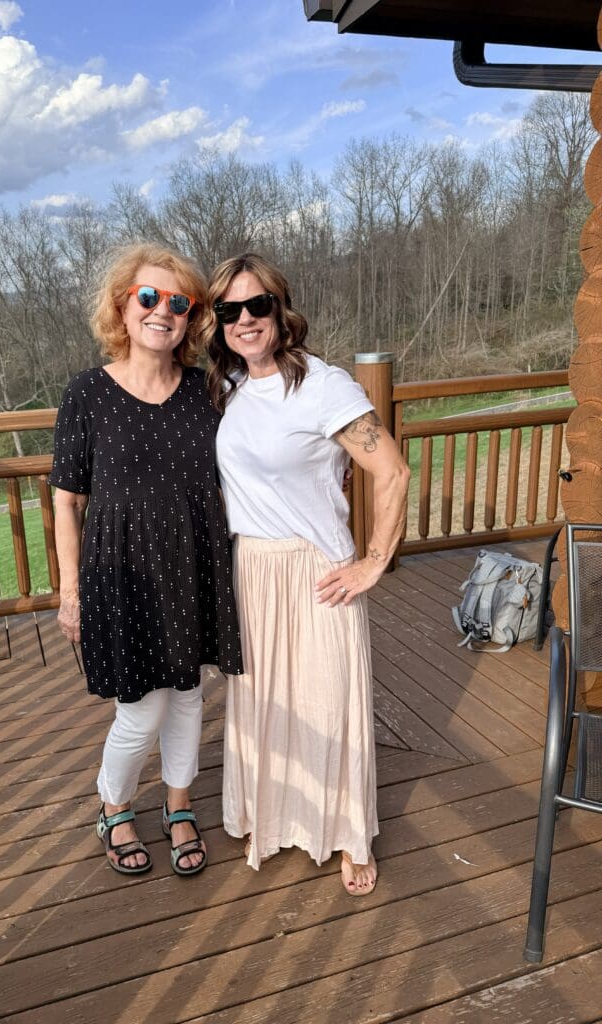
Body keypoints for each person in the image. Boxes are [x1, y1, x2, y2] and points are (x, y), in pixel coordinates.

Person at [203, 253, 410, 894]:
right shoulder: (226, 388)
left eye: (256, 305)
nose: (245, 319)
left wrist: (374, 560)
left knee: (329, 699)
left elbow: (393, 472)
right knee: (267, 701)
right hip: (253, 567)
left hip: (317, 568)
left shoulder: (324, 385)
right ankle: (269, 816)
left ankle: (349, 835)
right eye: (229, 310)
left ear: (280, 310)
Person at [50, 243, 243, 877]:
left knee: (188, 696)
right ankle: (114, 806)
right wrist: (70, 592)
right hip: (119, 574)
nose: (164, 311)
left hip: (193, 565)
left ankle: (180, 806)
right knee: (142, 708)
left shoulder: (207, 391)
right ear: (122, 307)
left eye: (180, 303)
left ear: (193, 319)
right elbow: (66, 501)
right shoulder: (87, 394)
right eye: (150, 297)